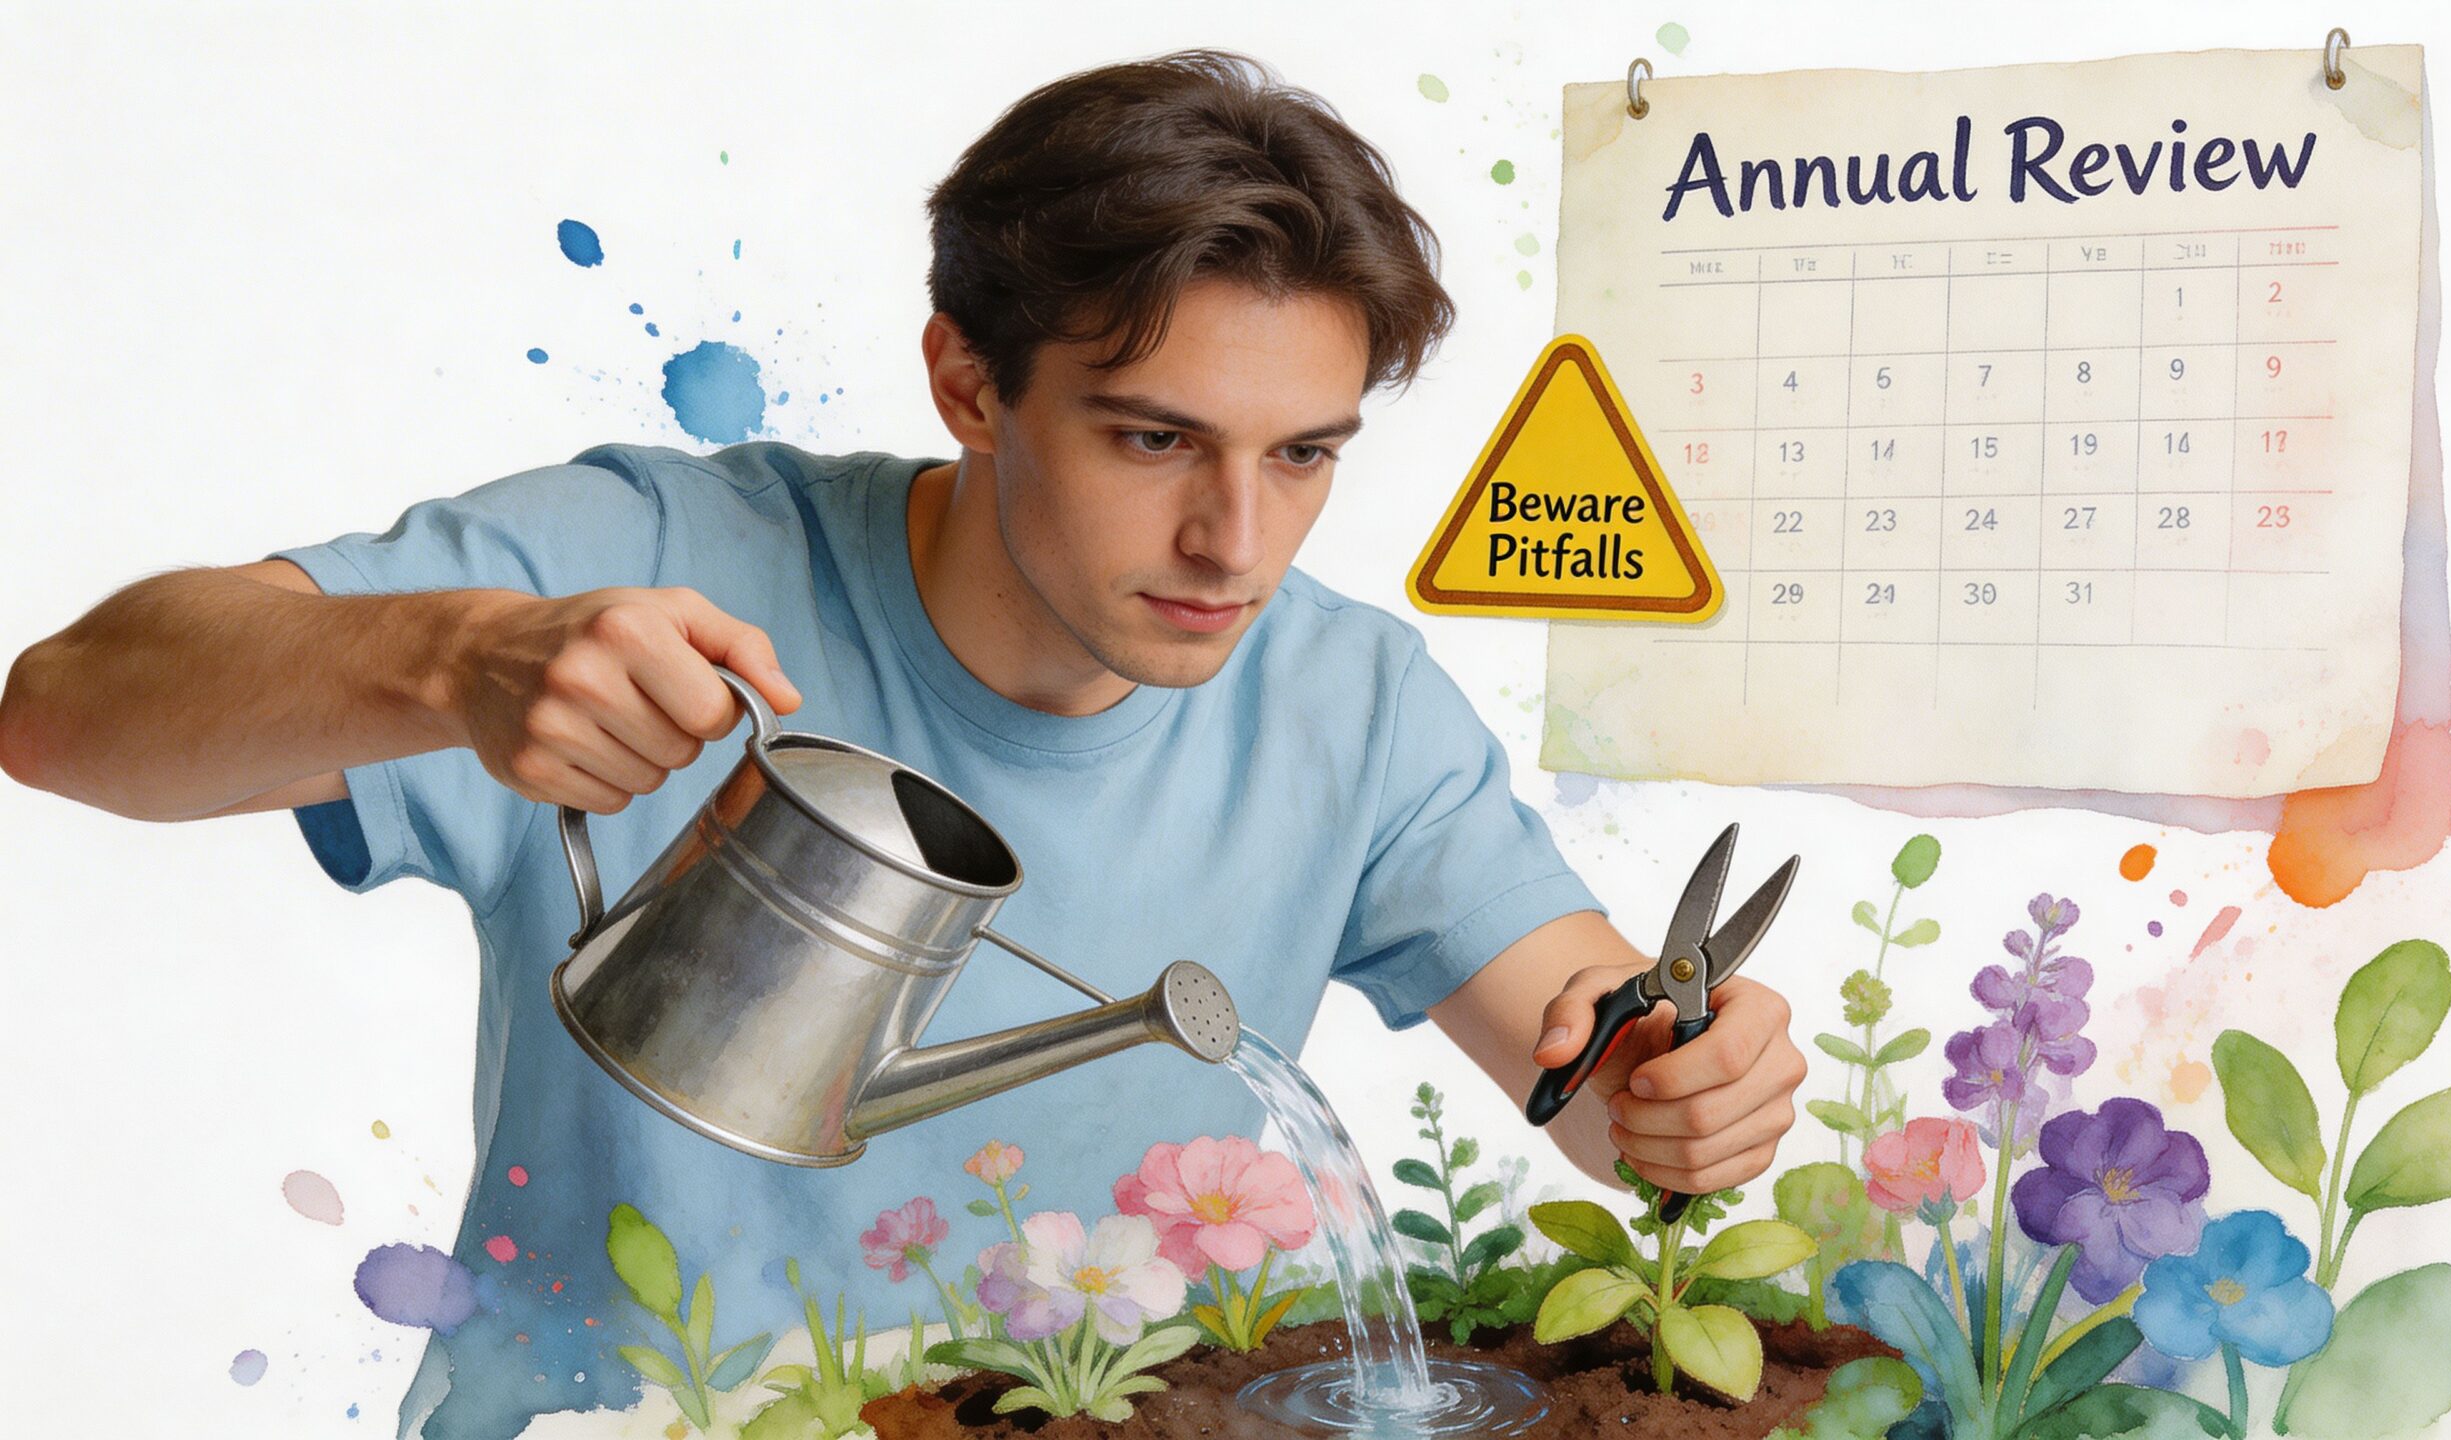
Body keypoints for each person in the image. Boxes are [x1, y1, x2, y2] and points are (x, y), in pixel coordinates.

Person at [0, 48, 1806, 1440]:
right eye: (1155, 440)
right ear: (966, 381)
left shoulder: (1349, 698)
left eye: (1307, 455)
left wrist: (1674, 1081)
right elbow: (65, 711)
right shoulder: (655, 560)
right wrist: (455, 657)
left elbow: (1587, 1039)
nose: (1237, 546)